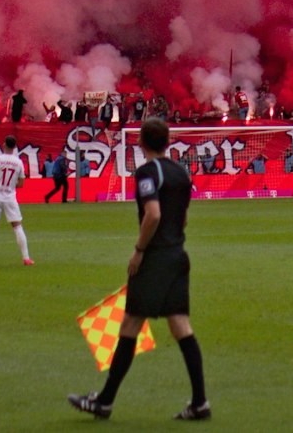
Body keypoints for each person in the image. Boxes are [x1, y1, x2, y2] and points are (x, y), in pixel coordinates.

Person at [69, 117, 208, 421]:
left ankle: (104, 402)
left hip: (156, 258)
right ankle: (200, 402)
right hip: (178, 255)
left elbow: (153, 214)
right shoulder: (181, 172)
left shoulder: (148, 172)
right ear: (168, 140)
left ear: (141, 142)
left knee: (130, 324)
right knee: (181, 325)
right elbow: (182, 218)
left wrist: (139, 250)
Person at [0, 136, 33, 267]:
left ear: (3, 144)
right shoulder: (18, 162)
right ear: (15, 147)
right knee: (17, 226)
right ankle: (26, 258)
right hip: (10, 197)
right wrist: (11, 184)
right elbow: (21, 184)